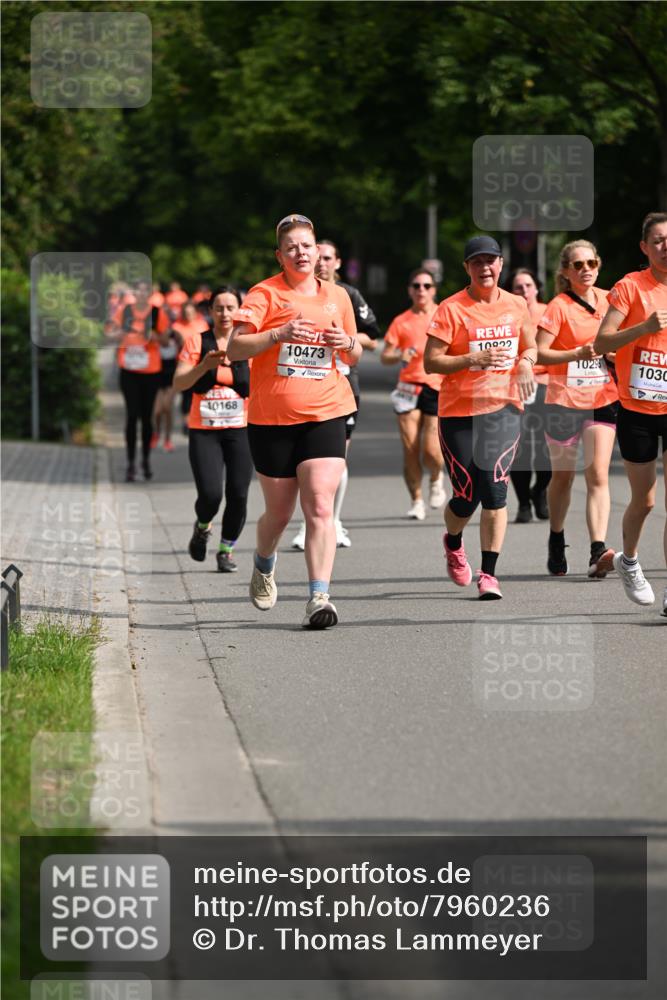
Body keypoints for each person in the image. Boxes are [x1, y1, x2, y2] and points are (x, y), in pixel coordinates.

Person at [227, 213, 362, 629]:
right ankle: (264, 562)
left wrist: (347, 343)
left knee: (321, 503)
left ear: (318, 248)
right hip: (272, 418)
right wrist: (278, 334)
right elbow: (235, 349)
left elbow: (354, 352)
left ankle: (319, 597)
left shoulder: (336, 296)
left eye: (307, 245)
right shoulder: (264, 294)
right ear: (280, 255)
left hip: (328, 410)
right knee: (279, 515)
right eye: (292, 248)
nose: (301, 253)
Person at [424, 236, 536, 600]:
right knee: (466, 493)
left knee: (494, 487)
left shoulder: (517, 304)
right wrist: (472, 359)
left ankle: (488, 574)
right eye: (477, 262)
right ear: (467, 268)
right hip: (458, 411)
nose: (485, 267)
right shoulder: (451, 309)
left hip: (504, 408)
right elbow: (432, 361)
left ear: (501, 264)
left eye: (490, 260)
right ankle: (453, 541)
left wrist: (526, 362)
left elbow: (530, 344)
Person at [594, 211, 667, 614]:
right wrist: (642, 328)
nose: (665, 245)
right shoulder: (630, 287)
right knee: (646, 500)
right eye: (657, 239)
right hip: (637, 405)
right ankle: (630, 561)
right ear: (644, 247)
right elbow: (602, 339)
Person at [291, 238, 381, 550]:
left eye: (328, 258)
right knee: (304, 461)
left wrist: (345, 338)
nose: (322, 263)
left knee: (334, 458)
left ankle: (334, 521)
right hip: (303, 385)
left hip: (342, 385)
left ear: (338, 263)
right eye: (319, 256)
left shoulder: (348, 295)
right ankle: (309, 524)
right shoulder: (296, 293)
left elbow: (371, 337)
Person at [537, 240, 617, 578]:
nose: (585, 269)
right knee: (563, 478)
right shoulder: (557, 306)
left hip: (603, 396)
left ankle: (597, 549)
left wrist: (615, 354)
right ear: (566, 272)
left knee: (598, 474)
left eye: (591, 263)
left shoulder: (612, 299)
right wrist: (575, 354)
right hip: (563, 401)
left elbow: (623, 340)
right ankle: (557, 537)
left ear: (598, 265)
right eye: (578, 265)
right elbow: (540, 353)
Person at [173, 287, 253, 572]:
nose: (225, 313)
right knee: (210, 494)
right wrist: (203, 367)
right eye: (219, 308)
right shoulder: (197, 342)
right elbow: (179, 383)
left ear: (240, 310)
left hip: (240, 429)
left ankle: (226, 550)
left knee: (239, 493)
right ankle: (202, 526)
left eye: (231, 307)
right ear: (210, 311)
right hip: (204, 429)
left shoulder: (249, 343)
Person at [381, 269, 445, 520]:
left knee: (431, 448)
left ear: (433, 290)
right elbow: (386, 355)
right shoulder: (401, 321)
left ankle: (437, 478)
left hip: (436, 386)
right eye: (416, 285)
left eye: (426, 286)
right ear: (410, 290)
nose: (421, 290)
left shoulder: (444, 315)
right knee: (410, 447)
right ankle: (417, 500)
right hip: (408, 387)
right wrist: (399, 355)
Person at [508, 268, 552, 522]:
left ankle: (540, 491)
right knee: (521, 450)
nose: (524, 291)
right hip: (516, 387)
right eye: (518, 287)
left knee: (548, 450)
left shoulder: (550, 311)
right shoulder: (506, 314)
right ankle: (524, 502)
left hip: (547, 385)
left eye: (528, 285)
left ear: (536, 288)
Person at [110, 280, 164, 482]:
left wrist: (154, 336)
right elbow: (111, 333)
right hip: (129, 370)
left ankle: (146, 459)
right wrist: (121, 334)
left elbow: (167, 340)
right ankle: (131, 462)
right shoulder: (125, 311)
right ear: (134, 294)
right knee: (132, 415)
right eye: (138, 292)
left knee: (147, 417)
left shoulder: (157, 312)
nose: (141, 295)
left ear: (149, 293)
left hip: (151, 371)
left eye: (145, 292)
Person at [172, 302, 210, 436]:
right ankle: (186, 421)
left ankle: (201, 417)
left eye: (190, 313)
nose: (188, 316)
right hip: (185, 363)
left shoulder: (202, 324)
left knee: (200, 391)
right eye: (186, 313)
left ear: (195, 313)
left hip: (201, 363)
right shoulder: (177, 326)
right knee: (186, 394)